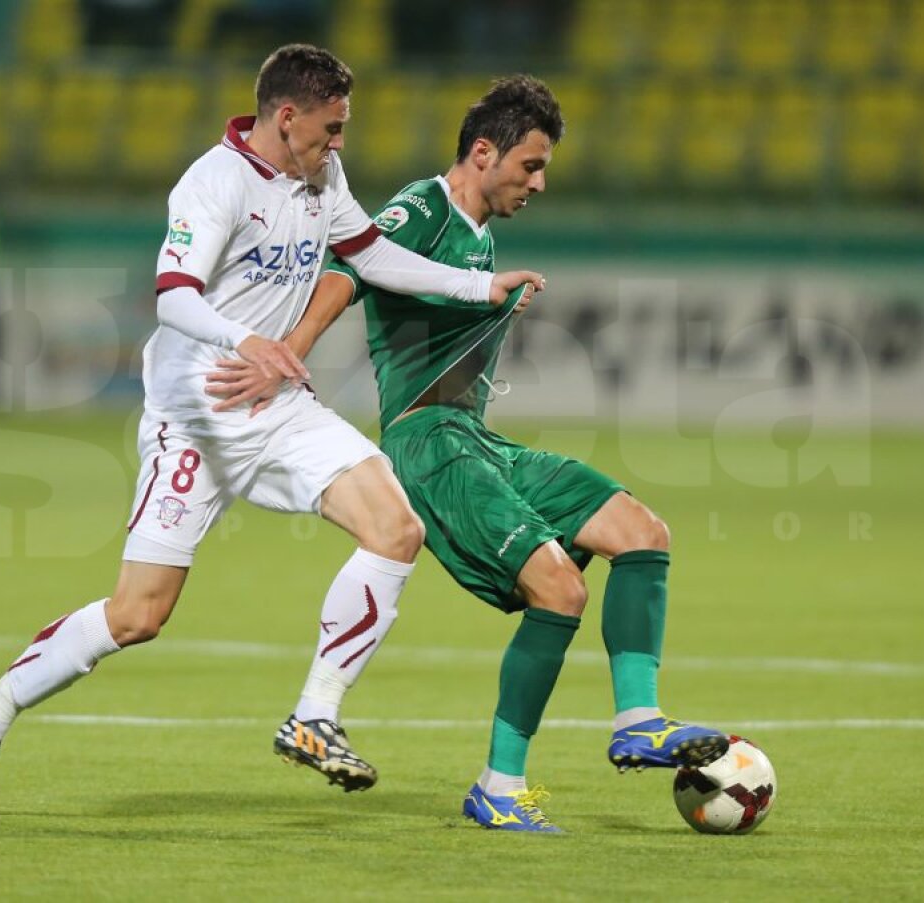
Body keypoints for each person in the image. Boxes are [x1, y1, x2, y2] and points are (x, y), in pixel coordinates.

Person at [0, 45, 543, 821]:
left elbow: (370, 253)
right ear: (286, 117)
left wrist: (476, 284)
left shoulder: (320, 177)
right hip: (195, 420)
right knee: (138, 615)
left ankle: (314, 714)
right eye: (331, 129)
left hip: (279, 409)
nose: (340, 145)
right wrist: (246, 341)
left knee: (397, 525)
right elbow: (172, 296)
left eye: (344, 130)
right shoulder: (214, 183)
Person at [207, 75, 726, 834]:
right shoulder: (424, 206)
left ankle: (639, 720)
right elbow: (349, 267)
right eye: (531, 165)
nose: (539, 183)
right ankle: (500, 786)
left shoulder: (482, 234)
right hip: (429, 445)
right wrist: (288, 350)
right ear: (483, 153)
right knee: (561, 591)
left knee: (642, 531)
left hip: (476, 440)